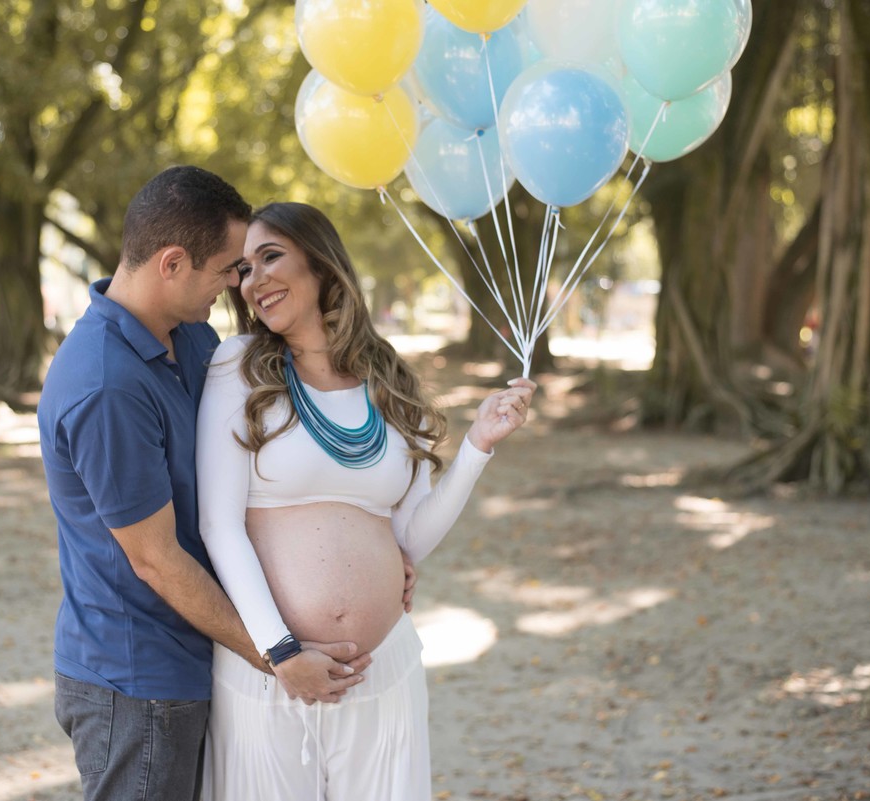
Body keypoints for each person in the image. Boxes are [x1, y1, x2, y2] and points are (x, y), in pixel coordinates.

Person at [37, 169, 375, 801]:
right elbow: (156, 559)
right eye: (227, 269)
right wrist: (277, 655)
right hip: (138, 681)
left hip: (201, 657)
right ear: (172, 263)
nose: (237, 286)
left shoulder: (192, 338)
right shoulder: (105, 383)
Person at [196, 202, 536, 800]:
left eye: (271, 256)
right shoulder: (238, 368)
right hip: (271, 673)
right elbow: (219, 526)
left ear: (321, 264)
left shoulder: (390, 381)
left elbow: (411, 538)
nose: (256, 280)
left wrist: (478, 446)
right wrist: (281, 652)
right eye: (244, 269)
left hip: (382, 672)